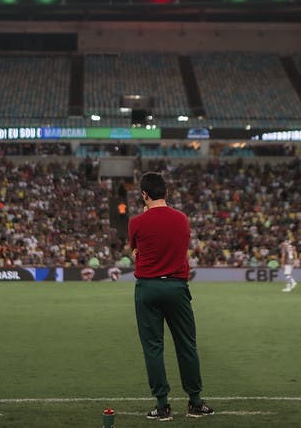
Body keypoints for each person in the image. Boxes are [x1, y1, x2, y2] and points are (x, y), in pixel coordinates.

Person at [129, 172, 213, 421]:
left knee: (153, 348)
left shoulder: (137, 222)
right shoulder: (182, 219)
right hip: (176, 287)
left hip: (147, 288)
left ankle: (163, 406)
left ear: (144, 194)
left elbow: (135, 251)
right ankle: (195, 402)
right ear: (166, 192)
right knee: (187, 345)